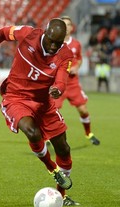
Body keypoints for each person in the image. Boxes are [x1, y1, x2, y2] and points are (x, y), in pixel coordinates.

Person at [0, 18, 79, 206]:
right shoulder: (28, 34)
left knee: (64, 148)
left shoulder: (65, 54)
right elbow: (2, 33)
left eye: (58, 42)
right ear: (45, 33)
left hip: (44, 103)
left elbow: (62, 80)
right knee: (31, 131)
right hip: (16, 97)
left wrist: (58, 90)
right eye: (51, 40)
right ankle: (52, 169)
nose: (54, 46)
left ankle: (61, 195)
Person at [54, 16, 100, 145]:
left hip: (73, 83)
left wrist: (76, 67)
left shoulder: (76, 44)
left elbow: (79, 58)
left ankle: (88, 133)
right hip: (58, 83)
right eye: (64, 24)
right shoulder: (54, 43)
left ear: (72, 27)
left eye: (68, 24)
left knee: (83, 110)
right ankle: (46, 138)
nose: (66, 27)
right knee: (52, 112)